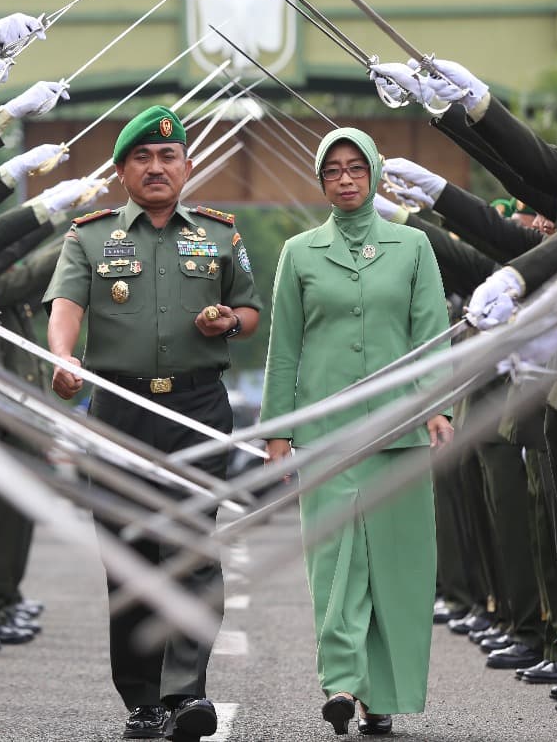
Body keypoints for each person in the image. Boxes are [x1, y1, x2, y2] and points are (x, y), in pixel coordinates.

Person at [44, 104, 261, 742]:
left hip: (197, 407)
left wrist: (228, 323)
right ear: (122, 171)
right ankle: (142, 698)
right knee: (131, 552)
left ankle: (186, 693)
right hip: (119, 412)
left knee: (192, 549)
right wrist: (62, 359)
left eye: (169, 156)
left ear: (187, 166)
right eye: (143, 157)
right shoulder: (89, 235)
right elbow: (65, 306)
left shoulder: (222, 235)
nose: (157, 166)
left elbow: (248, 312)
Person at [260, 126, 453, 736]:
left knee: (395, 566)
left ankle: (382, 696)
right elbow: (283, 346)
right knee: (335, 563)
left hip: (397, 430)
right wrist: (278, 431)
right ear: (321, 182)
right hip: (326, 432)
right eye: (333, 171)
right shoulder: (299, 252)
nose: (345, 179)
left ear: (373, 174)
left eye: (355, 168)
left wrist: (438, 407)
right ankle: (343, 683)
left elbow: (431, 336)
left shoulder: (413, 246)